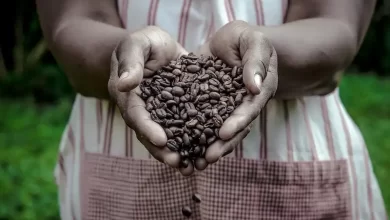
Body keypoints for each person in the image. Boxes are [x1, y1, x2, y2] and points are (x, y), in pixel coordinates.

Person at [36, 0, 387, 219]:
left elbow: (339, 27)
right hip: (115, 167)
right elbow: (70, 22)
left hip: (296, 152)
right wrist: (126, 58)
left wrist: (262, 51)